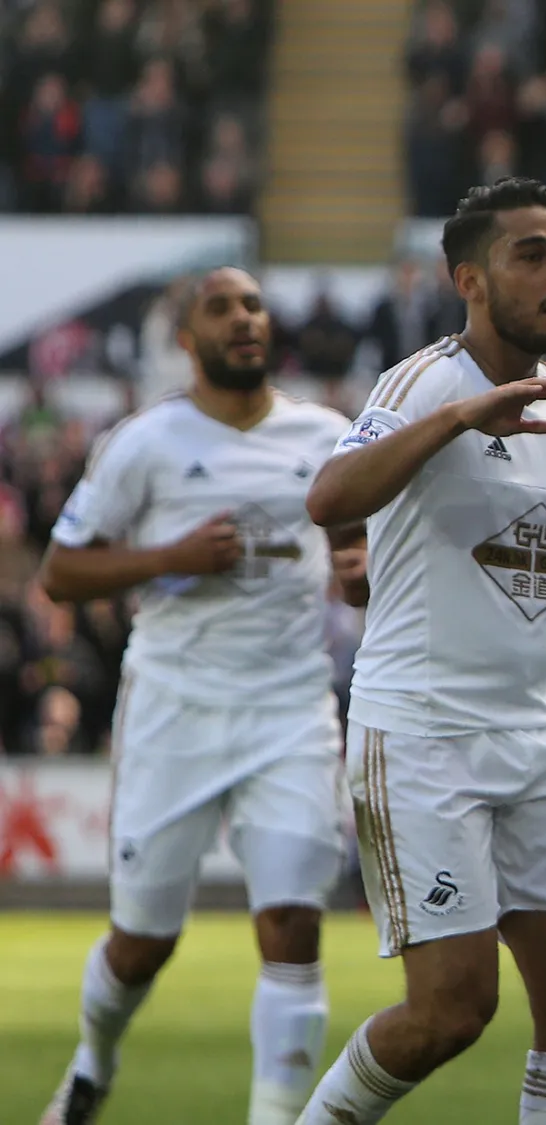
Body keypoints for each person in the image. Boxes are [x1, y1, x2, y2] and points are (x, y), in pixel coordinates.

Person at [293, 178, 546, 1125]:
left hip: (541, 736)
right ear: (468, 279)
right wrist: (455, 423)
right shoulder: (422, 384)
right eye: (532, 256)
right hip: (426, 732)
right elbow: (328, 497)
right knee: (452, 1007)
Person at [37, 267, 356, 1125]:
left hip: (291, 709)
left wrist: (359, 570)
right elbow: (61, 571)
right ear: (186, 338)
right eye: (221, 309)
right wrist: (167, 557)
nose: (244, 320)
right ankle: (92, 1063)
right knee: (142, 943)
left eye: (253, 306)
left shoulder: (327, 434)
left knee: (292, 926)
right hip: (175, 704)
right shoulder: (145, 441)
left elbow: (359, 550)